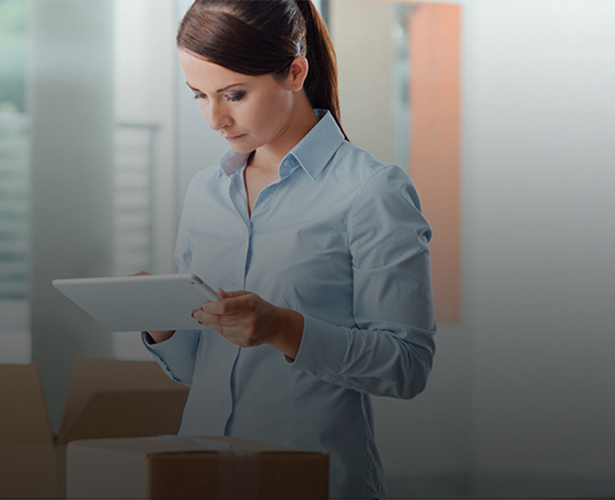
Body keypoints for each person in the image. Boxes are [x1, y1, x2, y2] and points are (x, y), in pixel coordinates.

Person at [139, 1, 436, 498]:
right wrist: (162, 325)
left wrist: (284, 328)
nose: (215, 119)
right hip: (203, 476)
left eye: (234, 94)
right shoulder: (204, 193)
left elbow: (406, 366)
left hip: (314, 480)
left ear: (296, 72)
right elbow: (202, 370)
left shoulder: (371, 191)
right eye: (199, 96)